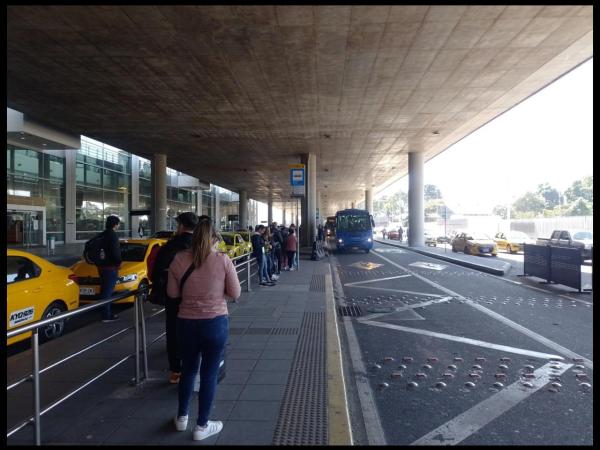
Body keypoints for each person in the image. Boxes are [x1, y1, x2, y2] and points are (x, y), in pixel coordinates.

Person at [168, 219, 241, 441]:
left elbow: (172, 294)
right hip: (215, 322)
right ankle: (201, 426)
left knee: (188, 370)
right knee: (209, 374)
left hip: (186, 323)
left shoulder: (179, 259)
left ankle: (181, 418)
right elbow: (235, 293)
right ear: (214, 238)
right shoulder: (222, 260)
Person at [149, 212, 200, 384]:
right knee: (196, 330)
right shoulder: (202, 245)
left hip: (175, 296)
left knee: (174, 331)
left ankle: (176, 370)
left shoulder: (170, 246)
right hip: (197, 297)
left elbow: (156, 273)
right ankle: (194, 365)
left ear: (181, 226)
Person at [97, 215, 122, 322]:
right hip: (111, 267)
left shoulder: (102, 234)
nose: (119, 225)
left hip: (101, 266)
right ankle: (106, 315)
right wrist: (119, 263)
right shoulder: (113, 235)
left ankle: (103, 312)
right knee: (108, 292)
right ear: (115, 224)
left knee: (104, 290)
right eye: (118, 224)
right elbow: (115, 252)